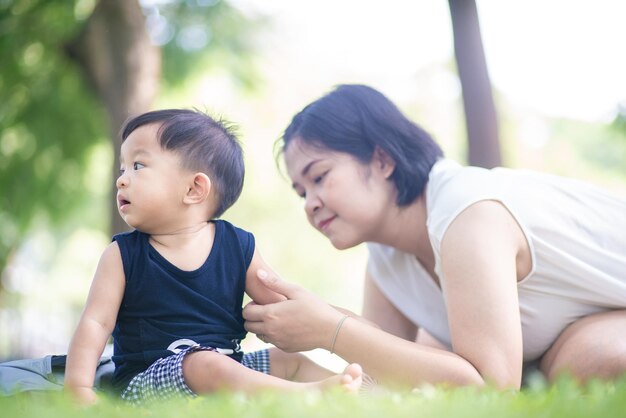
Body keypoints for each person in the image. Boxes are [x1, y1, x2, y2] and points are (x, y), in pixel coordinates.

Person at [243, 84, 626, 390]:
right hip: (570, 332)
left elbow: (491, 387)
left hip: (603, 323)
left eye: (320, 177)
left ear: (382, 160)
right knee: (426, 355)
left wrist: (330, 330)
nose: (310, 203)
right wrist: (302, 358)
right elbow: (383, 375)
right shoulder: (385, 256)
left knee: (578, 361)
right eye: (301, 192)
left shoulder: (466, 210)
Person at [64, 109, 362, 405]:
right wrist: (79, 388)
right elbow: (96, 323)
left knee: (288, 360)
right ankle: (307, 396)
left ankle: (355, 394)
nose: (121, 180)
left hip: (227, 368)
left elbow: (282, 305)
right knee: (204, 363)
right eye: (122, 169)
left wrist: (332, 323)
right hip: (148, 383)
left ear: (194, 189)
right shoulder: (122, 255)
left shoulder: (237, 245)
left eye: (138, 166)